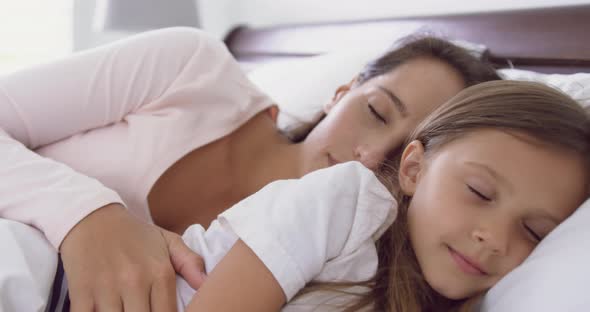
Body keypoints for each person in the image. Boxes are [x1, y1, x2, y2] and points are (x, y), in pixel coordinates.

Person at [0, 27, 499, 311]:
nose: (369, 157)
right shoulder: (191, 68)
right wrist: (88, 213)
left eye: (400, 158)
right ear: (341, 93)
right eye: (375, 111)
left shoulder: (341, 271)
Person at [50, 80, 590, 312]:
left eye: (535, 232)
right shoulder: (350, 203)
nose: (494, 237)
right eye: (478, 191)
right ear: (414, 168)